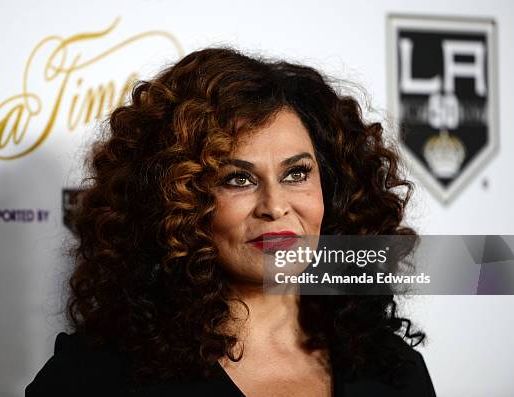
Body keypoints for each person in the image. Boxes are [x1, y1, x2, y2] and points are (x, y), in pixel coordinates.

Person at [25, 47, 437, 396]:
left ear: (333, 189)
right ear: (176, 203)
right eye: (237, 179)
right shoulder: (94, 377)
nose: (275, 206)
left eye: (297, 173)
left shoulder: (395, 370)